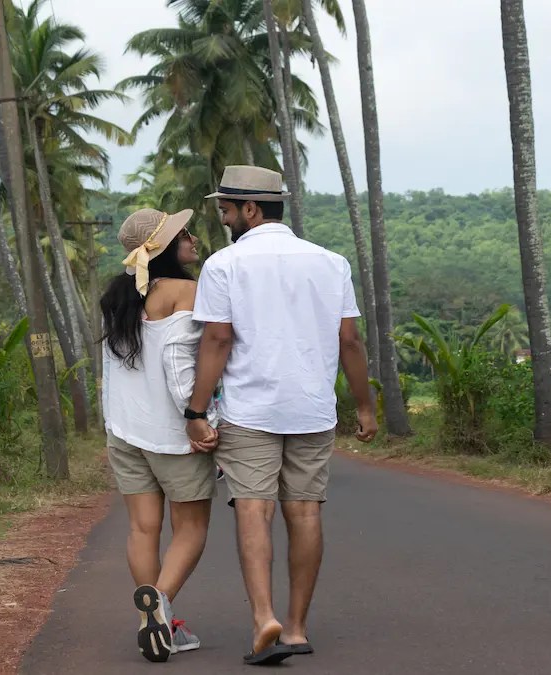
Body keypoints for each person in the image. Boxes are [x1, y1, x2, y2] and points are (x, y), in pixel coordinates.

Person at [183, 165, 379, 666]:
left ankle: (262, 617)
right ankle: (295, 628)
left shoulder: (224, 265)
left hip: (251, 410)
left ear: (251, 209)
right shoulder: (331, 263)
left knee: (254, 509)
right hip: (312, 410)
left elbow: (218, 339)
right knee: (306, 511)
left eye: (227, 210)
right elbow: (350, 340)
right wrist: (363, 404)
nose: (225, 218)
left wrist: (196, 409)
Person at [100, 207, 218, 663]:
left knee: (142, 528)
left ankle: (153, 616)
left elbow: (114, 370)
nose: (191, 237)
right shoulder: (187, 290)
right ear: (166, 246)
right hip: (173, 434)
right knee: (191, 529)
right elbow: (178, 364)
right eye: (183, 233)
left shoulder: (119, 295)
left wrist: (112, 421)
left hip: (125, 431)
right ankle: (161, 605)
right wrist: (198, 416)